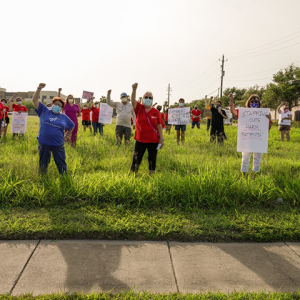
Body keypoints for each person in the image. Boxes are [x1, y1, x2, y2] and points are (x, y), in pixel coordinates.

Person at [32, 83, 75, 175]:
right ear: (52, 104)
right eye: (56, 104)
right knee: (43, 162)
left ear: (61, 108)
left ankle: (64, 178)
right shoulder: (44, 111)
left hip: (57, 144)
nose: (57, 106)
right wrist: (39, 88)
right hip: (44, 143)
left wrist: (67, 135)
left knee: (61, 163)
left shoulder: (63, 117)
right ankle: (43, 178)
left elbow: (72, 126)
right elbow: (34, 100)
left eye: (60, 106)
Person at [229, 93, 272, 174]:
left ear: (259, 103)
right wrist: (231, 100)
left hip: (259, 140)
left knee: (257, 159)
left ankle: (256, 175)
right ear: (248, 102)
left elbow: (268, 128)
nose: (254, 103)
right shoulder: (244, 113)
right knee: (245, 159)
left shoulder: (263, 113)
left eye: (256, 101)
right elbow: (233, 111)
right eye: (252, 101)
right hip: (246, 140)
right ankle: (244, 175)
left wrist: (269, 120)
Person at [130, 83, 164, 175]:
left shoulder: (156, 112)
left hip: (153, 140)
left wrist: (161, 139)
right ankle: (133, 175)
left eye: (150, 98)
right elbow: (132, 101)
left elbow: (159, 126)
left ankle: (151, 176)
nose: (148, 99)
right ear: (142, 99)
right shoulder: (139, 108)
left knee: (152, 158)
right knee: (136, 158)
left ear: (152, 100)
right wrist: (134, 90)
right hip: (140, 140)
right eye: (146, 97)